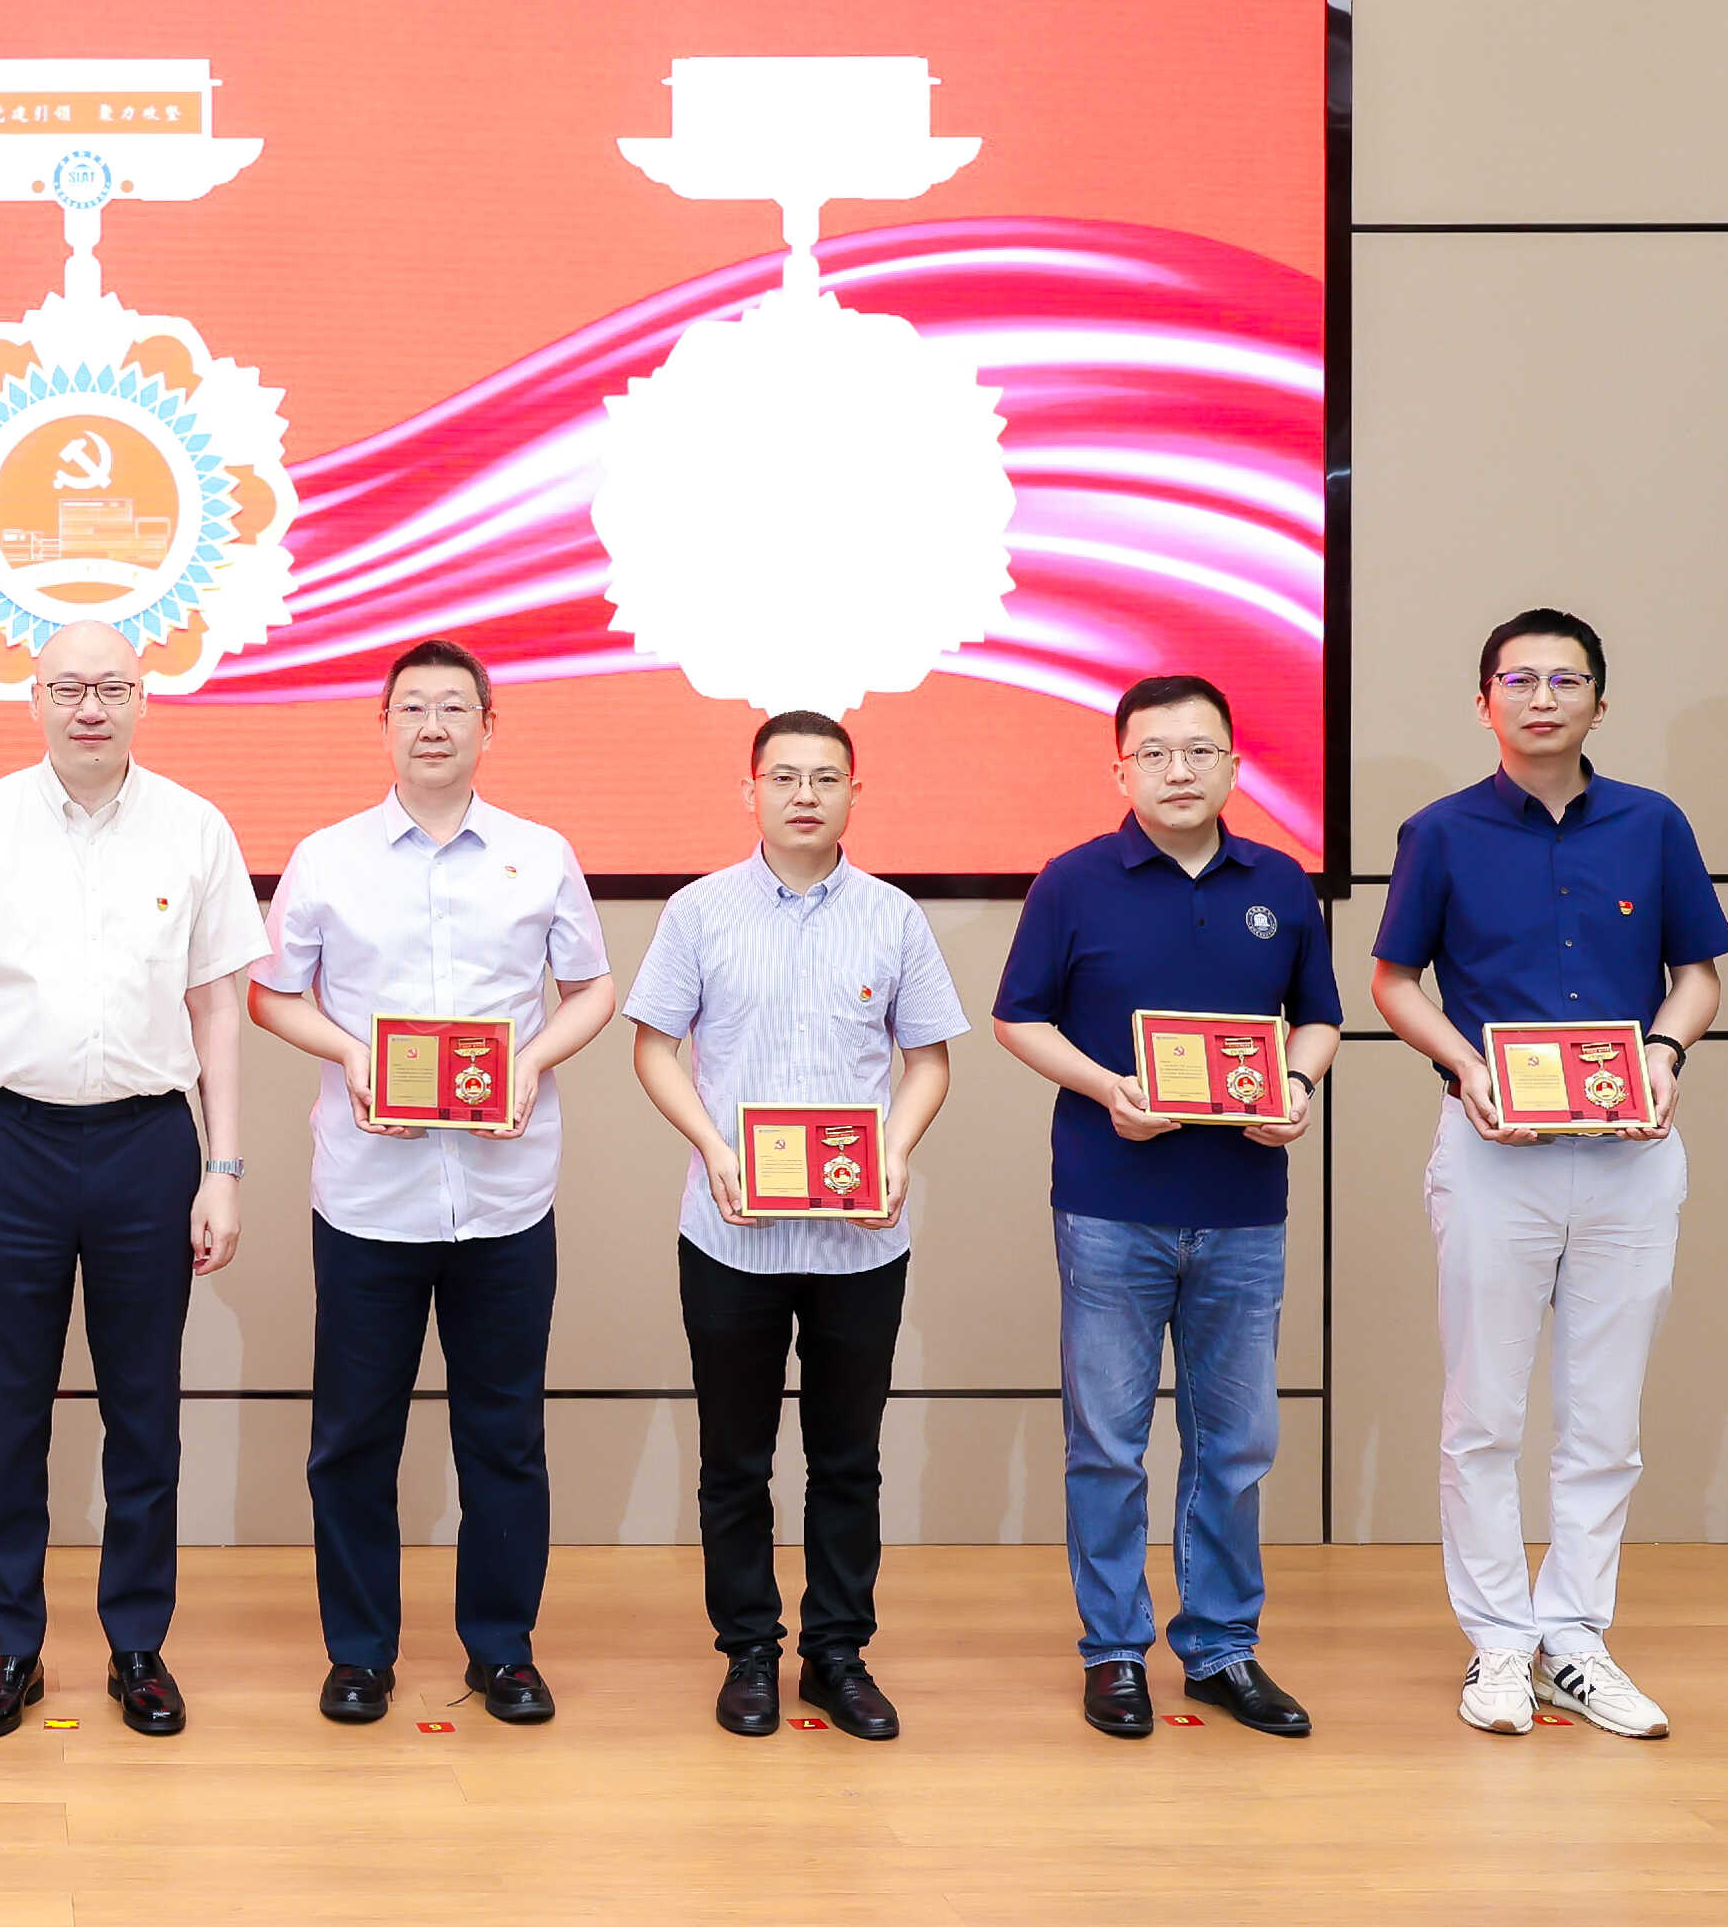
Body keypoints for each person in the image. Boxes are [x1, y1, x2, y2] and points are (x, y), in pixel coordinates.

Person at [0, 619, 267, 1740]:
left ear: (144, 697)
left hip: (149, 1145)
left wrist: (223, 1167)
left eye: (111, 687)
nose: (89, 708)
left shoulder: (195, 828)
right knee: (8, 1410)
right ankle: (11, 1647)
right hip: (9, 1145)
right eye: (68, 688)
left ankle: (137, 1645)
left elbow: (217, 1011)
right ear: (35, 698)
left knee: (144, 1408)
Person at [1373, 609, 1728, 1742]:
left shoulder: (1652, 823)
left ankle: (1574, 1638)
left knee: (1604, 1420)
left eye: (1564, 681)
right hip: (1493, 1155)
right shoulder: (1439, 831)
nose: (1541, 698)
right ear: (1483, 700)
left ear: (1599, 704)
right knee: (1482, 1413)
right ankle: (1497, 1640)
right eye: (1518, 680)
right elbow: (1393, 982)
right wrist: (1467, 1066)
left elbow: (1697, 974)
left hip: (1631, 1158)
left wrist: (1664, 1053)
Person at [251, 639, 615, 1728]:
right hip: (369, 1196)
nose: (433, 726)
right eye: (412, 707)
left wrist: (531, 1062)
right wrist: (352, 1054)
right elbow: (273, 994)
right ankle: (360, 1652)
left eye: (455, 708)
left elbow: (592, 989)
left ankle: (502, 1650)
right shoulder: (327, 858)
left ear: (488, 727)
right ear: (384, 725)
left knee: (503, 1436)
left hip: (505, 1195)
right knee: (353, 1439)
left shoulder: (541, 855)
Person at [990, 676, 1341, 1740]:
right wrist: (1111, 1090)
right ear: (1121, 769)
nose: (1177, 771)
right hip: (1111, 1204)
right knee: (1106, 1441)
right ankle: (1113, 1651)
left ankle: (1222, 1649)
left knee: (1235, 1443)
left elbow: (1317, 1019)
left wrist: (1296, 1086)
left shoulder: (1280, 883)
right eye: (1154, 753)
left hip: (1244, 1207)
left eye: (1199, 751)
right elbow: (1017, 1019)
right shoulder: (1072, 883)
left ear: (1234, 764)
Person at [625, 708, 961, 1744]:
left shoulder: (893, 917)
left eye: (825, 777)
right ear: (751, 792)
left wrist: (895, 1150)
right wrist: (714, 1148)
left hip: (861, 1240)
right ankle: (749, 1653)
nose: (804, 795)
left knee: (847, 1459)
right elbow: (652, 1048)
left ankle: (837, 1654)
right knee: (735, 1458)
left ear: (855, 792)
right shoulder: (698, 912)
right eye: (783, 777)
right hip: (730, 1233)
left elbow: (928, 1061)